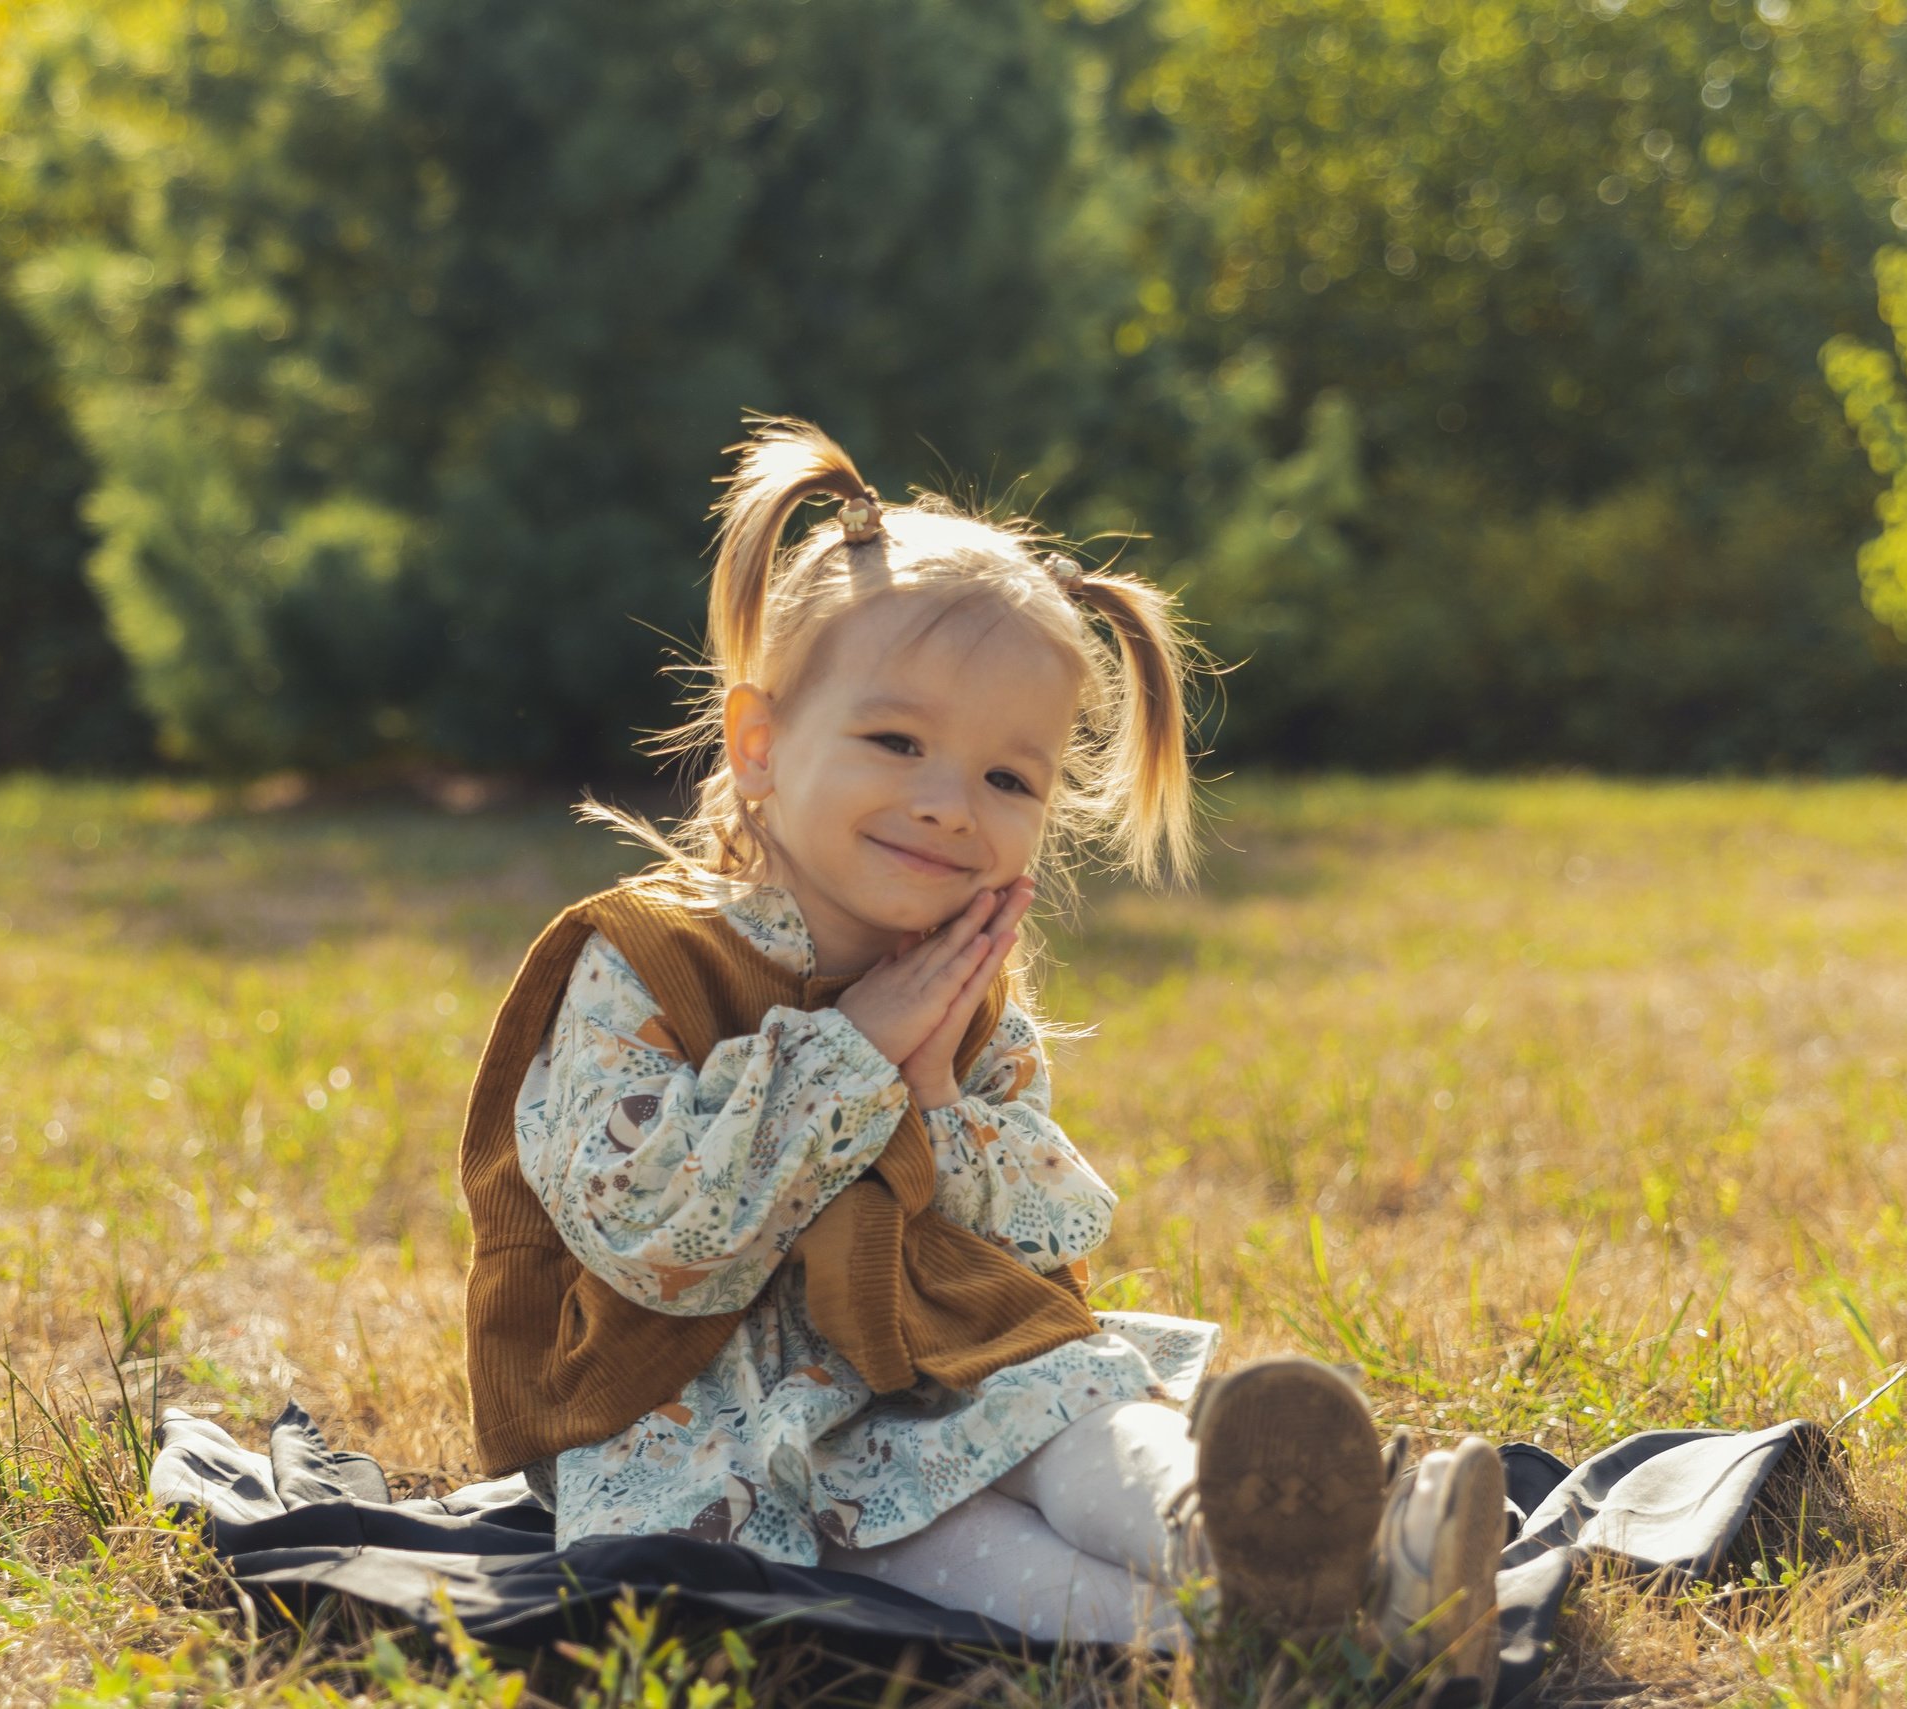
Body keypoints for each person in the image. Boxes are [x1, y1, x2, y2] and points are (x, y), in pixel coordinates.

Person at [457, 419, 1505, 1693]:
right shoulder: (640, 963)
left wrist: (938, 1090)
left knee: (1079, 1414)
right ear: (759, 743)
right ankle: (1243, 1633)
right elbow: (654, 1229)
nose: (950, 801)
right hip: (721, 1418)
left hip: (942, 1360)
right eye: (897, 742)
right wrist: (854, 1051)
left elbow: (1031, 1254)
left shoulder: (969, 988)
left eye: (1008, 775)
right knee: (940, 1531)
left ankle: (1256, 1534)